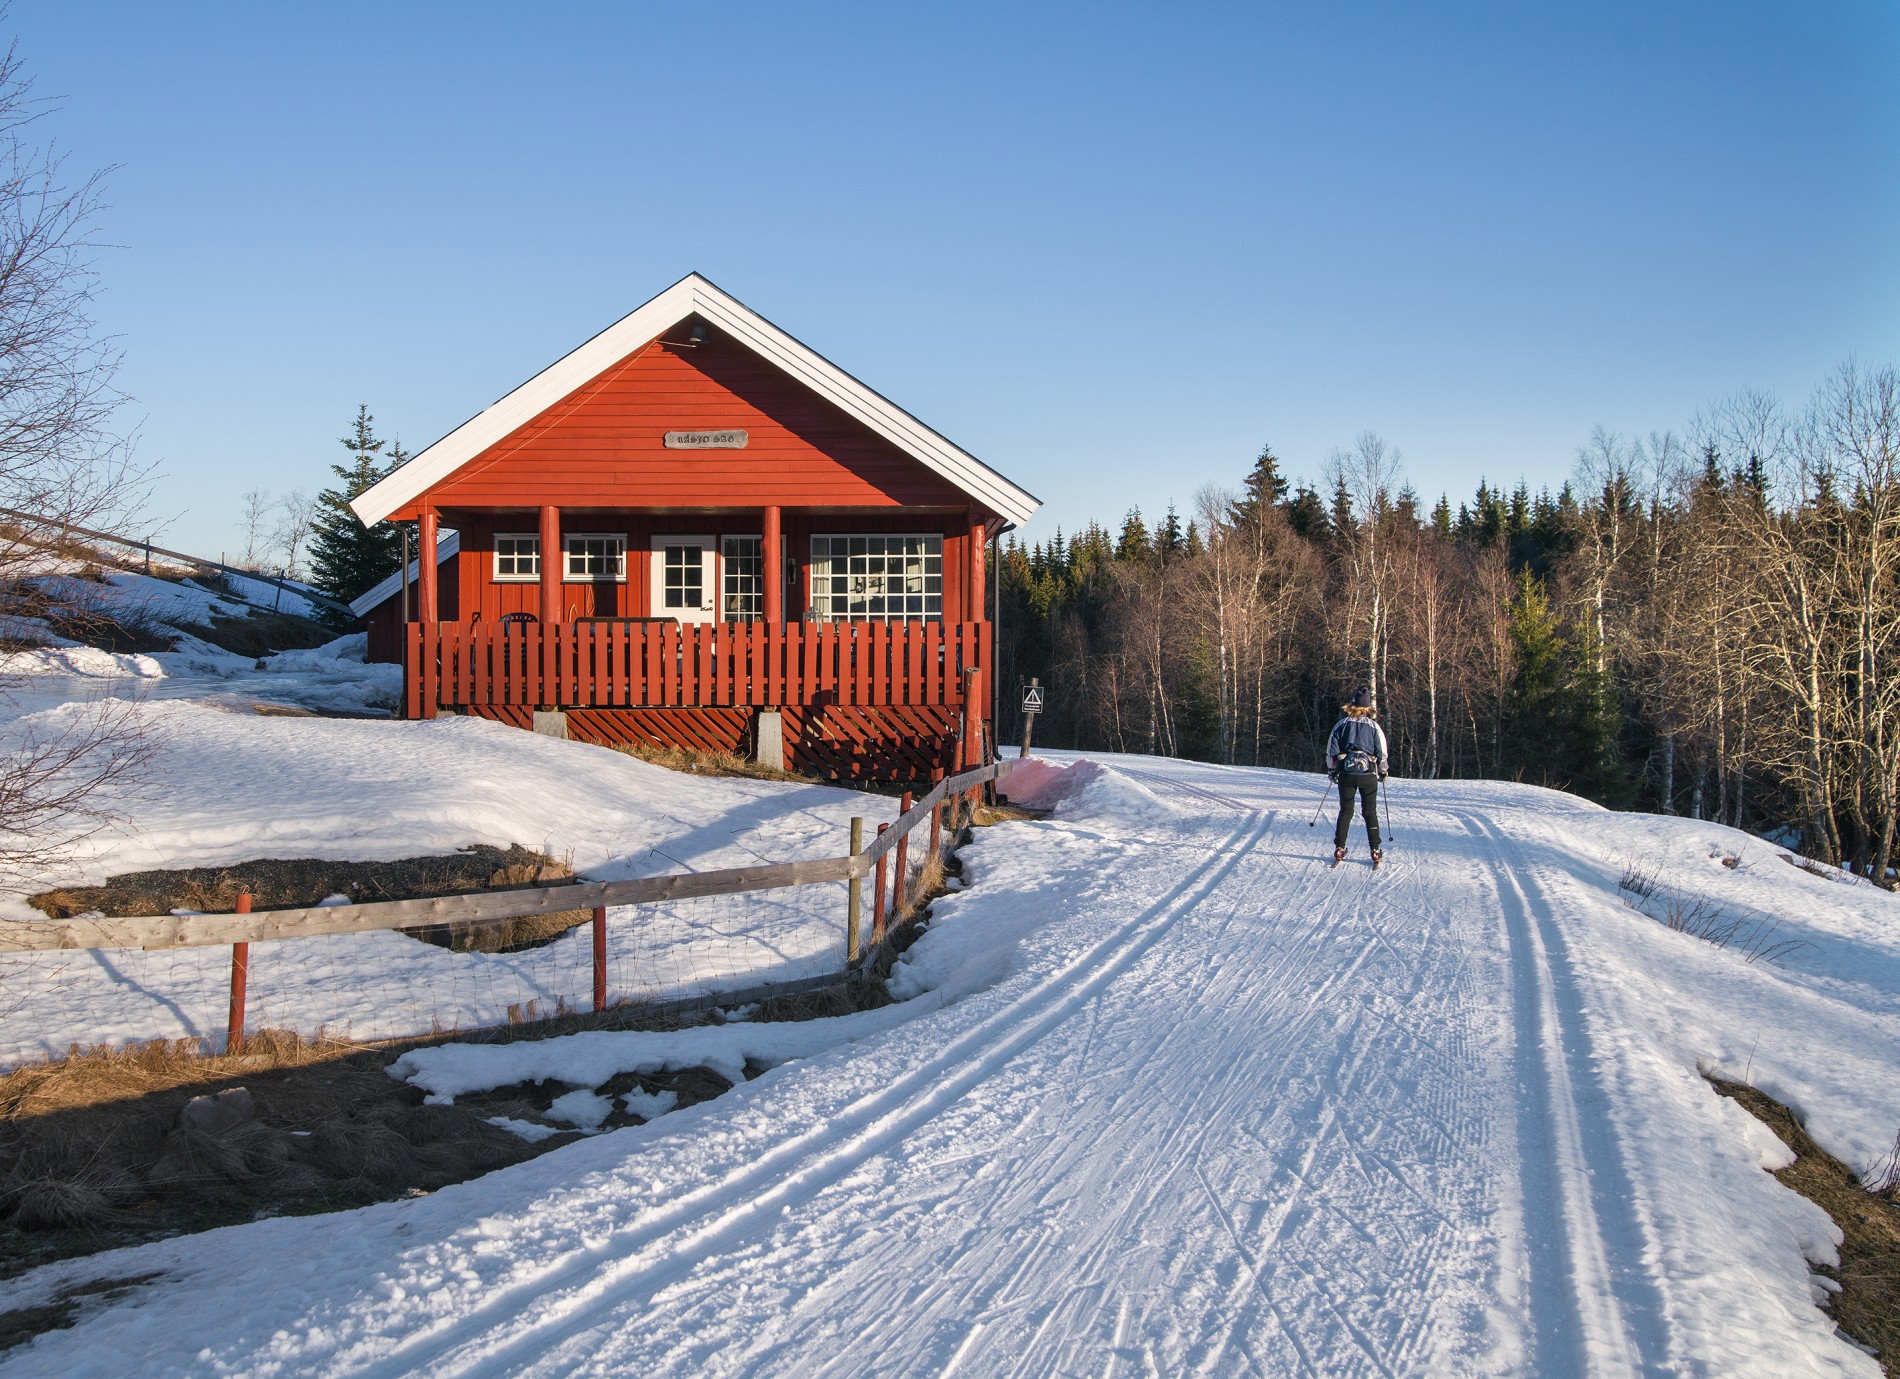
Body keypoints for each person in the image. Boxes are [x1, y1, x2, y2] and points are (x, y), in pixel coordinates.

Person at [1327, 686, 1388, 864]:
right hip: (1368, 775)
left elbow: (1331, 751)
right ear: (1368, 707)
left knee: (1345, 812)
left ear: (1352, 705)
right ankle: (1375, 850)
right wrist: (1383, 771)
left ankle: (1339, 848)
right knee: (1370, 812)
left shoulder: (1341, 725)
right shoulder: (1374, 727)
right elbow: (1382, 753)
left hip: (1346, 774)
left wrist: (1332, 770)